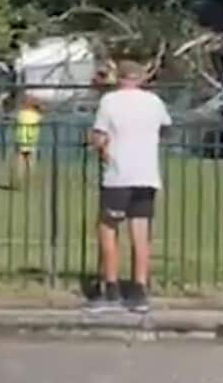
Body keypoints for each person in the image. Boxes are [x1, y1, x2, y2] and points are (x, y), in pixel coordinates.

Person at [84, 61, 172, 314]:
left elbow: (99, 136)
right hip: (147, 174)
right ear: (141, 78)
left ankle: (110, 287)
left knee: (108, 228)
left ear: (119, 78)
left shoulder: (109, 102)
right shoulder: (154, 102)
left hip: (118, 174)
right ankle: (139, 289)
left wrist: (98, 146)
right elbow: (166, 129)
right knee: (140, 232)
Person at [15, 97, 42, 179]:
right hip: (32, 139)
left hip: (21, 138)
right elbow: (41, 116)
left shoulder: (20, 114)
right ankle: (30, 177)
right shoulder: (37, 116)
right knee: (31, 159)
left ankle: (20, 177)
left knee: (21, 160)